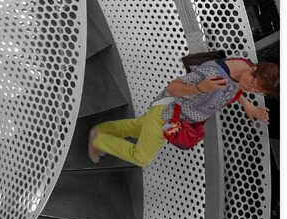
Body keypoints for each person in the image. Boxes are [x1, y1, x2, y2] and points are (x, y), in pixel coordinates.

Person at [88, 57, 278, 168]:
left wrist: (249, 106)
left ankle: (102, 130)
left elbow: (237, 88)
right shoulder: (212, 74)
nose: (250, 89)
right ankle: (98, 140)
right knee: (142, 157)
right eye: (252, 84)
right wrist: (200, 88)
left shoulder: (243, 67)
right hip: (167, 114)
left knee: (138, 127)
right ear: (254, 70)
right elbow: (173, 87)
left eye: (257, 91)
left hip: (175, 116)